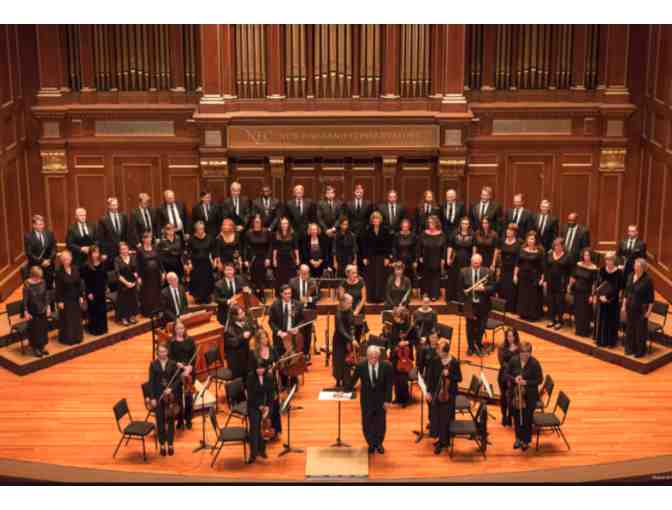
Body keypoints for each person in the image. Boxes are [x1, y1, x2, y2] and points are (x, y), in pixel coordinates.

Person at [347, 345, 393, 455]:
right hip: (366, 399)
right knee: (367, 422)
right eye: (370, 356)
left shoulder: (386, 366)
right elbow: (352, 381)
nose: (373, 358)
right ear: (367, 356)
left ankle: (379, 443)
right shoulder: (361, 366)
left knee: (380, 422)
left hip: (381, 400)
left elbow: (389, 385)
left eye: (375, 356)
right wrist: (343, 392)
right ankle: (371, 444)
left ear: (378, 356)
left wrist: (388, 400)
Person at [505, 341, 543, 451]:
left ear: (530, 353)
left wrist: (526, 382)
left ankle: (526, 441)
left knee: (527, 419)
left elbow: (539, 380)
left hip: (530, 396)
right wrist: (514, 379)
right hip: (516, 395)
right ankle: (518, 438)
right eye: (522, 353)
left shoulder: (534, 363)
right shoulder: (514, 360)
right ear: (519, 353)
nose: (524, 356)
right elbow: (506, 374)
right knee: (517, 418)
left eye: (527, 353)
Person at [426, 339, 462, 454]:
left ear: (445, 352)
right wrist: (428, 392)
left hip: (449, 395)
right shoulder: (435, 360)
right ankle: (441, 439)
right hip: (437, 393)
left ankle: (443, 442)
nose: (437, 352)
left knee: (445, 418)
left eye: (439, 350)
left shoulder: (454, 362)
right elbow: (430, 376)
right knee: (437, 416)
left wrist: (449, 374)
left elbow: (459, 378)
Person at [147, 342, 180, 456]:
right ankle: (162, 444)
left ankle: (170, 444)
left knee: (171, 421)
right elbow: (151, 382)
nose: (162, 354)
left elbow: (177, 380)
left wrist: (171, 388)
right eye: (160, 352)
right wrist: (152, 398)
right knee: (160, 421)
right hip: (158, 396)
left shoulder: (173, 364)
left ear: (167, 352)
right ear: (157, 352)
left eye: (164, 351)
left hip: (170, 397)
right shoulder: (153, 364)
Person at [459, 253, 495, 356]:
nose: (476, 265)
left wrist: (484, 289)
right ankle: (470, 347)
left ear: (481, 263)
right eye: (474, 263)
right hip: (470, 305)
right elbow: (460, 289)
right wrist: (462, 303)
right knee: (469, 327)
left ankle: (478, 345)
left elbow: (493, 287)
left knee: (481, 327)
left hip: (483, 305)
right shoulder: (463, 272)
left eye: (478, 263)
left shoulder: (487, 272)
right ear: (471, 262)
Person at [248, 329, 282, 438]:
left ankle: (275, 430)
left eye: (266, 337)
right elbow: (251, 371)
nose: (265, 340)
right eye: (262, 338)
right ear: (258, 340)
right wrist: (262, 371)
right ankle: (262, 432)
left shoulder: (272, 349)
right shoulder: (254, 353)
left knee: (274, 406)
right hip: (260, 385)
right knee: (263, 407)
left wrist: (276, 367)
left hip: (272, 383)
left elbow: (278, 363)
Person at [623, 258, 654, 357]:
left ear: (642, 268)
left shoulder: (648, 280)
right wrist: (623, 305)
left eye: (637, 265)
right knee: (630, 329)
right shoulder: (630, 275)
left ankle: (639, 351)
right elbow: (626, 292)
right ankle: (629, 349)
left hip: (641, 309)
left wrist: (649, 312)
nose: (634, 267)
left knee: (639, 331)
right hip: (629, 307)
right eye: (635, 265)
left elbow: (651, 298)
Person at [168, 319, 196, 430]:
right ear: (174, 330)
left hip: (189, 372)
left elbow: (194, 356)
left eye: (182, 328)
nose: (180, 330)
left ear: (185, 329)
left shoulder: (190, 340)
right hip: (177, 372)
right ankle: (179, 420)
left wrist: (190, 367)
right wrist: (176, 364)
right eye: (178, 329)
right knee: (178, 397)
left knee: (188, 397)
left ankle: (188, 419)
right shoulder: (171, 342)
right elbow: (169, 358)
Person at [246, 364, 274, 464]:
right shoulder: (250, 377)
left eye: (262, 368)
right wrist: (260, 406)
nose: (260, 370)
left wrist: (268, 407)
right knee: (254, 428)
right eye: (258, 368)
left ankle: (262, 450)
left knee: (264, 428)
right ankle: (253, 454)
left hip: (265, 405)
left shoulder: (269, 377)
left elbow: (271, 394)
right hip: (253, 405)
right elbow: (250, 396)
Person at [595, 252, 625, 348]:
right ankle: (601, 341)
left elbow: (621, 288)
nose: (608, 262)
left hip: (613, 301)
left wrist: (616, 299)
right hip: (602, 299)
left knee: (611, 321)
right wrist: (600, 296)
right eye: (607, 259)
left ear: (614, 260)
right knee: (602, 320)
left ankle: (610, 342)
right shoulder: (602, 270)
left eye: (610, 259)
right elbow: (598, 285)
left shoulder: (619, 273)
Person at [54, 250, 84, 345]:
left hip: (75, 298)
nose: (66, 261)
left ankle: (77, 337)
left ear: (71, 259)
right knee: (67, 320)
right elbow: (58, 288)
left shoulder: (75, 268)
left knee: (76, 318)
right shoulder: (59, 272)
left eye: (67, 259)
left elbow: (79, 284)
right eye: (64, 259)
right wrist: (59, 301)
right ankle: (68, 339)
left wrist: (81, 295)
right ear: (61, 260)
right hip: (65, 299)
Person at [361, 211, 392, 303]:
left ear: (380, 220)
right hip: (370, 257)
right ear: (372, 220)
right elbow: (364, 245)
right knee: (371, 278)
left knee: (381, 277)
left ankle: (381, 298)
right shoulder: (367, 230)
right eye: (374, 218)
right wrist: (364, 257)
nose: (376, 220)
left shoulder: (385, 230)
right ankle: (371, 298)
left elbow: (388, 245)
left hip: (382, 257)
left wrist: (387, 258)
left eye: (377, 218)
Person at [515, 231, 545, 322]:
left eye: (532, 239)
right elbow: (518, 263)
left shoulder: (540, 251)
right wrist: (515, 275)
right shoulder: (522, 249)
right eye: (529, 239)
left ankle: (532, 315)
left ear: (536, 240)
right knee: (523, 295)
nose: (530, 241)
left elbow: (543, 267)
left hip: (534, 277)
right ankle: (523, 313)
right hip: (523, 276)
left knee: (533, 297)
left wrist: (542, 279)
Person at [22, 266, 52, 357]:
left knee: (43, 329)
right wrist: (26, 311)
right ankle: (36, 348)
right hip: (33, 311)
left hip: (43, 309)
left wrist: (48, 306)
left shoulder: (43, 282)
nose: (39, 279)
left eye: (40, 277)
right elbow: (25, 300)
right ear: (32, 276)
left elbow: (46, 295)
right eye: (37, 277)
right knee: (35, 331)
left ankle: (42, 347)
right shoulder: (27, 285)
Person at [387, 305, 414, 406]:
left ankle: (405, 399)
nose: (395, 319)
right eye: (394, 317)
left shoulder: (410, 327)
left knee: (403, 379)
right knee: (395, 377)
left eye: (396, 317)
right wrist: (389, 348)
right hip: (395, 353)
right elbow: (391, 338)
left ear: (402, 317)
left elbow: (416, 340)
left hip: (405, 356)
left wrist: (407, 342)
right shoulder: (394, 324)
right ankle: (398, 397)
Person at [543, 237, 572, 330]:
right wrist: (545, 280)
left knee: (559, 302)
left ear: (562, 246)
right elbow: (546, 268)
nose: (557, 247)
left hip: (561, 283)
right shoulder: (550, 254)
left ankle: (560, 321)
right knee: (551, 301)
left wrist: (569, 284)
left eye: (559, 245)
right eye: (555, 245)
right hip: (550, 281)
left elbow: (570, 272)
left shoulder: (567, 256)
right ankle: (552, 319)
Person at [417, 215, 447, 301]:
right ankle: (425, 293)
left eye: (432, 223)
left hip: (437, 257)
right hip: (426, 257)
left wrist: (443, 259)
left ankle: (434, 294)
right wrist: (419, 256)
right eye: (429, 222)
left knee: (435, 276)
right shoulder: (423, 234)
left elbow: (444, 248)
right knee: (425, 276)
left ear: (436, 223)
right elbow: (419, 246)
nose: (430, 224)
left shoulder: (441, 234)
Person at [569, 248, 598, 337]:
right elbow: (573, 277)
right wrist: (569, 286)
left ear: (591, 256)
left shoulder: (594, 268)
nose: (586, 257)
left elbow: (594, 284)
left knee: (585, 313)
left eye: (588, 255)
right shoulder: (578, 264)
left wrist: (592, 295)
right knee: (577, 311)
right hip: (577, 291)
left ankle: (584, 331)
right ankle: (578, 329)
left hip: (586, 293)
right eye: (585, 255)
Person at [268, 285, 305, 355]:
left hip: (293, 336)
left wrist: (297, 328)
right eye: (286, 293)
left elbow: (302, 319)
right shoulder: (275, 305)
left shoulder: (298, 304)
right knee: (280, 356)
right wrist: (279, 332)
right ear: (281, 294)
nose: (288, 295)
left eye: (289, 293)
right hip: (279, 337)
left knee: (294, 356)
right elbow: (271, 322)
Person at [344, 184, 373, 271]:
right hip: (352, 233)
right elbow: (346, 218)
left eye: (360, 192)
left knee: (363, 254)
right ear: (354, 193)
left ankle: (362, 273)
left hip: (364, 233)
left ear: (363, 193)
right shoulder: (348, 204)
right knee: (352, 254)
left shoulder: (368, 204)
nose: (359, 193)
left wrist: (367, 228)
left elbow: (370, 218)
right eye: (357, 192)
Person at [244, 214, 272, 301]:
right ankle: (256, 296)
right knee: (254, 278)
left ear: (261, 222)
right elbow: (245, 247)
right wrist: (245, 259)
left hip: (263, 258)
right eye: (255, 222)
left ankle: (262, 295)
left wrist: (268, 258)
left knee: (262, 278)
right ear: (253, 222)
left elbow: (270, 246)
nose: (257, 223)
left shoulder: (266, 232)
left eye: (258, 222)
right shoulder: (248, 233)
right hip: (253, 258)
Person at [82, 246, 109, 337]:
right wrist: (88, 292)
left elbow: (105, 277)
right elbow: (85, 281)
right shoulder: (86, 265)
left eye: (97, 252)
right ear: (90, 254)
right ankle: (94, 330)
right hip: (92, 292)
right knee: (93, 311)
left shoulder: (102, 263)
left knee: (102, 310)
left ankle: (103, 328)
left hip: (101, 290)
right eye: (94, 252)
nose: (96, 254)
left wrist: (106, 287)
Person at [446, 217, 475, 302]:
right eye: (463, 223)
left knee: (464, 278)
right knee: (454, 277)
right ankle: (453, 297)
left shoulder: (472, 234)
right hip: (455, 258)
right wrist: (448, 258)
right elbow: (450, 246)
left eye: (466, 224)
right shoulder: (455, 233)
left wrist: (473, 259)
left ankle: (463, 298)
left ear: (469, 225)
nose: (464, 225)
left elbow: (474, 247)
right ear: (460, 224)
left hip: (467, 259)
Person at [187, 221, 216, 304]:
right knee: (197, 281)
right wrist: (189, 263)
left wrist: (214, 260)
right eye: (199, 229)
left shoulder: (209, 238)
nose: (200, 230)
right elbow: (188, 252)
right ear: (196, 229)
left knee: (207, 280)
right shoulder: (191, 239)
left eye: (202, 229)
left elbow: (213, 250)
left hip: (206, 263)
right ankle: (198, 297)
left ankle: (207, 297)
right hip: (196, 264)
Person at [24, 214, 56, 289]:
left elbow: (54, 248)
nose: (41, 226)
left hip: (49, 266)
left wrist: (49, 260)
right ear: (34, 225)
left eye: (42, 224)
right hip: (36, 266)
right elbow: (29, 253)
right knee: (38, 288)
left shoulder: (49, 234)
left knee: (49, 287)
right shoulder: (28, 236)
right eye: (38, 224)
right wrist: (41, 261)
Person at [136, 231, 164, 318]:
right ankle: (148, 312)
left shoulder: (155, 248)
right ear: (143, 239)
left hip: (156, 274)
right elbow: (138, 265)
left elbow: (159, 261)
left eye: (150, 238)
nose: (149, 239)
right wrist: (139, 277)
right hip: (145, 276)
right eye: (147, 238)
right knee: (147, 294)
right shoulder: (140, 250)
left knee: (157, 293)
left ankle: (157, 310)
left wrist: (163, 272)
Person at [96, 197, 128, 271]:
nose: (115, 207)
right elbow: (101, 238)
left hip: (122, 251)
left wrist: (127, 247)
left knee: (124, 271)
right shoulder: (103, 219)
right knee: (111, 272)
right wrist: (103, 253)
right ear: (109, 206)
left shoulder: (123, 217)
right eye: (113, 205)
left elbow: (127, 233)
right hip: (109, 252)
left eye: (116, 205)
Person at [497, 328, 520, 426]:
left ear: (515, 336)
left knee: (512, 397)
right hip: (504, 374)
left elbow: (520, 362)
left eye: (512, 336)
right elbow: (502, 362)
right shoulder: (502, 347)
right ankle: (504, 415)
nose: (510, 338)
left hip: (514, 376)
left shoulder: (519, 348)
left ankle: (510, 416)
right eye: (508, 336)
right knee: (503, 396)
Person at [223, 305, 253, 380]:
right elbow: (233, 343)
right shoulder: (228, 329)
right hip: (237, 361)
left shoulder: (245, 322)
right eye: (240, 313)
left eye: (243, 312)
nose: (243, 314)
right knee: (240, 381)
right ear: (234, 317)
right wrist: (242, 336)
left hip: (246, 356)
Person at [338, 265, 367, 342]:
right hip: (347, 310)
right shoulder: (343, 283)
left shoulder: (361, 282)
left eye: (356, 273)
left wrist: (357, 310)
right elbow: (341, 299)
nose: (355, 275)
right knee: (348, 329)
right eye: (353, 273)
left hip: (359, 309)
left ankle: (357, 344)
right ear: (347, 274)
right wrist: (340, 294)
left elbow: (363, 298)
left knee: (358, 331)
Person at [333, 293, 356, 387]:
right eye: (350, 303)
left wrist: (352, 336)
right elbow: (340, 329)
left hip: (348, 339)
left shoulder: (350, 310)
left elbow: (352, 325)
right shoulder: (338, 314)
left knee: (347, 360)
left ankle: (346, 379)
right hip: (339, 340)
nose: (351, 305)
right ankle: (338, 380)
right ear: (344, 303)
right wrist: (351, 339)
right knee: (338, 361)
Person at [114, 242, 139, 326]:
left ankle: (131, 316)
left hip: (132, 282)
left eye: (126, 249)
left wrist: (136, 277)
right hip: (123, 284)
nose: (124, 251)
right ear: (119, 251)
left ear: (128, 249)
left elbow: (136, 269)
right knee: (124, 301)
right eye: (122, 249)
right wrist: (126, 283)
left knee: (132, 299)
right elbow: (117, 274)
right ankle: (124, 318)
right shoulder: (117, 259)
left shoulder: (132, 257)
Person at [272, 217, 299, 292]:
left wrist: (297, 258)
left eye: (286, 223)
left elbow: (296, 247)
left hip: (290, 258)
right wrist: (274, 259)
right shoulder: (276, 234)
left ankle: (291, 292)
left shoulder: (293, 234)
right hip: (280, 258)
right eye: (283, 223)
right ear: (280, 225)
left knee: (291, 276)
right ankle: (280, 293)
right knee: (280, 276)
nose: (284, 225)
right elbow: (275, 248)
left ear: (288, 224)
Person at [498, 223, 521, 312]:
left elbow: (518, 260)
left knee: (511, 289)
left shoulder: (518, 244)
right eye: (507, 230)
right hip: (503, 268)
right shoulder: (503, 241)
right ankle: (502, 307)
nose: (508, 232)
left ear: (514, 232)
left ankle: (510, 308)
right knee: (502, 287)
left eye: (510, 230)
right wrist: (499, 269)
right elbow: (500, 256)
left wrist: (515, 274)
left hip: (512, 269)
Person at [316, 185, 343, 259]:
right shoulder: (320, 203)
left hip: (336, 231)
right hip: (324, 232)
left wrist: (334, 228)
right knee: (325, 251)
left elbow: (340, 217)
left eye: (331, 193)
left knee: (335, 250)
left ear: (334, 194)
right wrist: (326, 230)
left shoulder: (339, 203)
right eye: (328, 193)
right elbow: (319, 218)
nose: (330, 195)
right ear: (325, 194)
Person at [391, 218, 417, 285]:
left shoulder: (413, 236)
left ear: (409, 227)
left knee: (409, 280)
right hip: (399, 261)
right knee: (400, 279)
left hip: (410, 261)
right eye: (403, 227)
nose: (405, 228)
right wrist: (395, 260)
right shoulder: (397, 235)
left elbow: (415, 249)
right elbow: (394, 248)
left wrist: (415, 261)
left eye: (406, 227)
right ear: (401, 227)